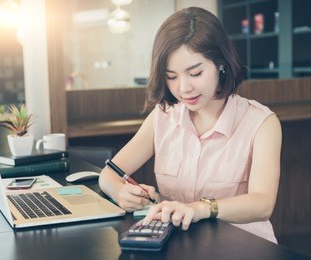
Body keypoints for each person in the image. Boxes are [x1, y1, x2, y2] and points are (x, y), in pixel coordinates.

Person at [98, 7, 282, 243]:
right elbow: (109, 174)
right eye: (172, 77)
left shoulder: (262, 123)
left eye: (195, 73)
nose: (183, 88)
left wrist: (200, 208)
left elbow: (262, 204)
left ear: (221, 64)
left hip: (244, 247)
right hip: (181, 246)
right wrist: (120, 192)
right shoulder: (163, 117)